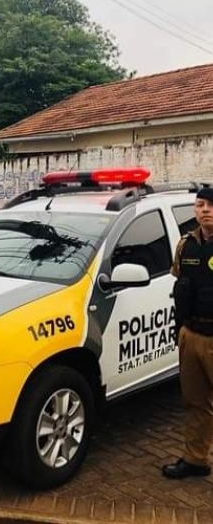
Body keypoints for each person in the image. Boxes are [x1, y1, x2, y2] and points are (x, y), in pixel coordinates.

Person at [162, 186, 213, 479]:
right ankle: (196, 460)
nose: (205, 209)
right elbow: (179, 285)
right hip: (191, 333)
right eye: (200, 204)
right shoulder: (185, 245)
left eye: (211, 205)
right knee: (195, 401)